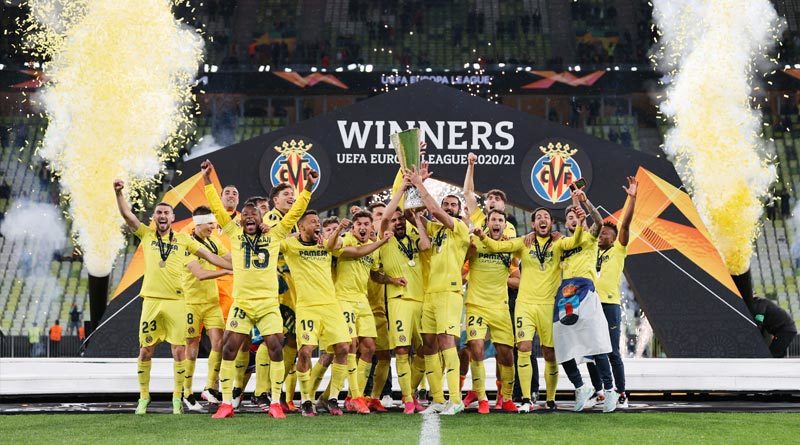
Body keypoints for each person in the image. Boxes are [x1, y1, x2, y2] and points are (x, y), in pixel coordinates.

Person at [202, 160, 315, 419]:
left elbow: (297, 212)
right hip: (242, 302)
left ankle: (275, 402)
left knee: (275, 346)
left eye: (255, 214)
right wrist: (207, 180)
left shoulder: (275, 235)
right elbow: (218, 210)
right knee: (229, 348)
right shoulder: (234, 233)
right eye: (246, 214)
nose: (250, 216)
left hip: (267, 303)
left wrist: (308, 186)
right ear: (241, 219)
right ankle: (227, 403)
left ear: (262, 219)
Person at [114, 178, 232, 415]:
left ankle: (178, 398)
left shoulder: (183, 240)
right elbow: (128, 216)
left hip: (178, 302)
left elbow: (211, 258)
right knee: (145, 350)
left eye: (167, 212)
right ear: (154, 217)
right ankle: (143, 398)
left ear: (172, 218)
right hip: (152, 301)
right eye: (159, 212)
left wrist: (238, 266)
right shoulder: (147, 235)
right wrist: (118, 193)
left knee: (179, 351)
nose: (162, 215)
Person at [480, 207, 585, 413]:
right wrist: (482, 236)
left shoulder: (558, 242)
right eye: (538, 218)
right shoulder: (523, 242)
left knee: (550, 353)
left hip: (548, 305)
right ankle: (527, 398)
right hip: (525, 304)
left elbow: (575, 242)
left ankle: (551, 399)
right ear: (533, 224)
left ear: (552, 223)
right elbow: (497, 247)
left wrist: (580, 224)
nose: (542, 220)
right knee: (524, 348)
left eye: (546, 217)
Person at [406, 167, 471, 415]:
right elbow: (410, 213)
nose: (449, 206)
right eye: (447, 203)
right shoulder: (434, 230)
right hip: (430, 293)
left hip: (449, 293)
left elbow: (433, 211)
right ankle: (437, 399)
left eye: (453, 204)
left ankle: (455, 399)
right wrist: (411, 184)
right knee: (429, 346)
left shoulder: (460, 229)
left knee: (446, 343)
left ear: (459, 210)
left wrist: (420, 185)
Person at [280, 210, 355, 416]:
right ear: (301, 227)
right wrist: (292, 235)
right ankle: (305, 400)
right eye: (313, 222)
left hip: (330, 305)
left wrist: (338, 230)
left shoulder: (325, 244)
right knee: (305, 351)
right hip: (307, 307)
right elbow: (275, 242)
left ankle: (332, 398)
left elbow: (337, 245)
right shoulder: (291, 246)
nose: (317, 225)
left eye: (318, 222)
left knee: (343, 347)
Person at [326, 213, 393, 414]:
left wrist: (391, 280)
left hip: (362, 301)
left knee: (370, 347)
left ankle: (353, 396)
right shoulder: (347, 240)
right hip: (343, 299)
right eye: (359, 224)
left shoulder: (373, 248)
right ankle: (347, 397)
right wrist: (382, 241)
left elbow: (374, 273)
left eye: (366, 224)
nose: (362, 227)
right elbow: (353, 252)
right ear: (353, 228)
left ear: (370, 227)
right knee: (350, 345)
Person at [557, 189, 617, 413]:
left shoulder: (591, 237)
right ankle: (580, 387)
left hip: (587, 292)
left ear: (580, 221)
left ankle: (609, 391)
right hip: (567, 296)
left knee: (596, 344)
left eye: (575, 217)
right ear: (566, 224)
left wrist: (584, 202)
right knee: (562, 345)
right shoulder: (562, 244)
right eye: (569, 218)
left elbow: (599, 221)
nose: (573, 220)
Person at [378, 185, 431, 414]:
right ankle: (408, 399)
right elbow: (387, 214)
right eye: (395, 220)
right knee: (401, 349)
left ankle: (411, 391)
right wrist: (401, 190)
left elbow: (426, 244)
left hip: (420, 299)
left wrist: (416, 219)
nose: (398, 222)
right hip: (398, 300)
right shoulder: (385, 239)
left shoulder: (412, 237)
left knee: (425, 349)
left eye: (402, 219)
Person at [589, 176, 638, 409]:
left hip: (609, 304)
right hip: (590, 304)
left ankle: (621, 392)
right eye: (600, 233)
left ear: (613, 237)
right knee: (590, 350)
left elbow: (626, 225)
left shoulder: (618, 249)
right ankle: (599, 391)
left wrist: (632, 197)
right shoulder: (591, 251)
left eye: (606, 233)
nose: (601, 236)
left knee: (612, 351)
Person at [466, 210, 521, 414]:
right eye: (493, 220)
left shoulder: (509, 249)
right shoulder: (474, 242)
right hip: (476, 305)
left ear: (505, 225)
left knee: (507, 355)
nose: (496, 223)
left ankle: (506, 398)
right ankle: (481, 398)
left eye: (500, 220)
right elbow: (463, 267)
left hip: (500, 307)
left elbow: (518, 280)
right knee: (476, 347)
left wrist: (501, 280)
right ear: (487, 223)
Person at [180, 206, 232, 412]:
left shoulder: (213, 242)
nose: (213, 227)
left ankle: (210, 387)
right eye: (209, 224)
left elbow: (228, 257)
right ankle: (186, 393)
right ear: (198, 224)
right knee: (191, 348)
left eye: (213, 223)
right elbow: (200, 274)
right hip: (191, 303)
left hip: (211, 304)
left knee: (219, 343)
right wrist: (227, 272)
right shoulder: (186, 244)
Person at [265, 182, 302, 412]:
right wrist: (300, 235)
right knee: (275, 338)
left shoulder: (292, 221)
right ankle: (265, 393)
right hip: (277, 286)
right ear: (275, 200)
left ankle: (284, 396)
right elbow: (273, 246)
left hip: (293, 288)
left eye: (292, 194)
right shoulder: (271, 218)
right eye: (286, 194)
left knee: (293, 340)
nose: (291, 197)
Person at [364, 201, 394, 411]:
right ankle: (355, 395)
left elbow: (377, 274)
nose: (382, 219)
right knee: (358, 353)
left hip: (382, 309)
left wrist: (392, 280)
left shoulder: (388, 246)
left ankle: (378, 395)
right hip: (357, 308)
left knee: (384, 354)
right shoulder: (354, 242)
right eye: (378, 215)